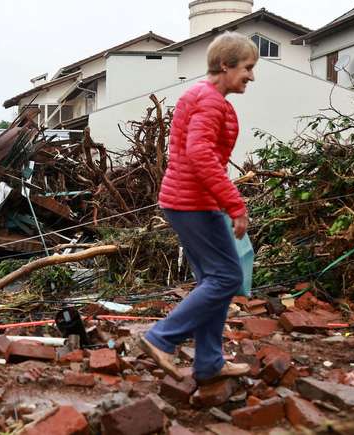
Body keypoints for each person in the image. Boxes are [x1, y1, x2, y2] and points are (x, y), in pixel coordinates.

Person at [139, 32, 257, 383]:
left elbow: (198, 154)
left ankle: (209, 362)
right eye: (248, 68)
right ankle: (161, 337)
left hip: (187, 200)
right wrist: (235, 205)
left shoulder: (201, 95)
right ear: (226, 64)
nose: (251, 76)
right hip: (193, 202)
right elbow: (201, 154)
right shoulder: (210, 101)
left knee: (213, 279)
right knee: (227, 277)